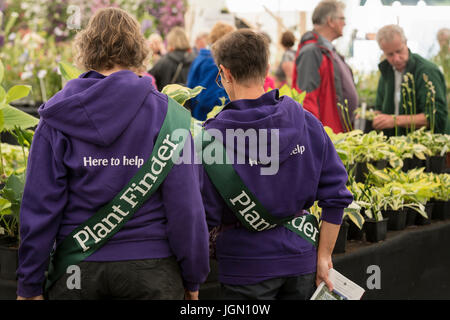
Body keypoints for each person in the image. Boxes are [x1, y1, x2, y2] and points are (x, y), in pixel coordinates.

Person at [16, 8, 209, 300]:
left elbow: (40, 205)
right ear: (138, 50)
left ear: (87, 48)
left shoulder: (57, 117)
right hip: (152, 270)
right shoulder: (170, 117)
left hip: (77, 271)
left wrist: (29, 284)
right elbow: (187, 208)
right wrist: (194, 278)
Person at [200, 29, 353, 300]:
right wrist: (324, 256)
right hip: (301, 261)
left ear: (226, 73)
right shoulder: (306, 121)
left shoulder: (211, 139)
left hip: (245, 267)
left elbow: (204, 216)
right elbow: (337, 195)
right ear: (267, 67)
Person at [293, 0, 358, 134]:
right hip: (326, 136)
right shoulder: (312, 51)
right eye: (342, 18)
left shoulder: (326, 50)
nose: (344, 23)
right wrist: (314, 136)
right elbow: (306, 99)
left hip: (335, 134)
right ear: (330, 21)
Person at [372, 24, 448, 136]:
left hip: (423, 146)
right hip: (392, 146)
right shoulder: (386, 71)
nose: (396, 59)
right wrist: (371, 116)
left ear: (406, 43)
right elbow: (379, 108)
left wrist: (395, 120)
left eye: (399, 51)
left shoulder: (426, 71)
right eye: (390, 54)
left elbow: (437, 117)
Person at [187, 21, 235, 121]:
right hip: (208, 120)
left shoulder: (202, 57)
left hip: (198, 117)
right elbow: (207, 97)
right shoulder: (213, 62)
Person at [149, 26, 196, 91]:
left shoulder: (164, 61)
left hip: (167, 99)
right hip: (190, 99)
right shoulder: (195, 59)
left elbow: (149, 79)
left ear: (170, 41)